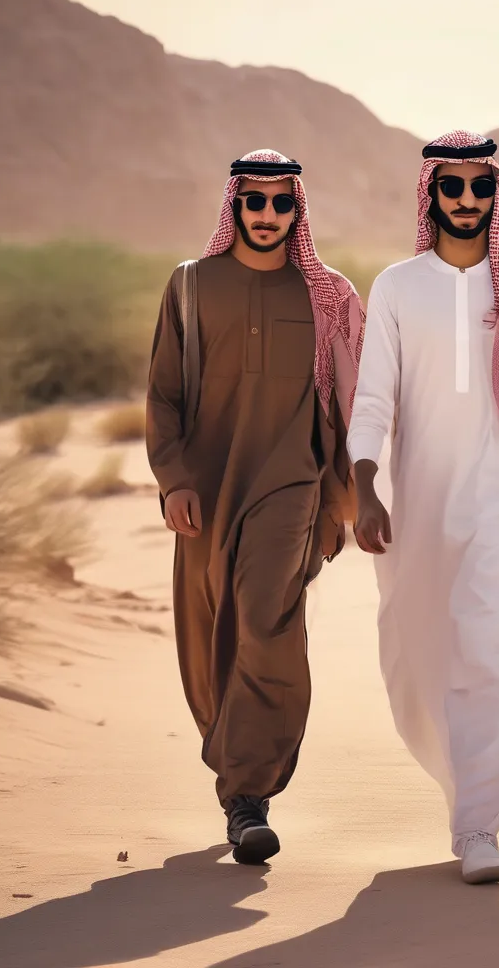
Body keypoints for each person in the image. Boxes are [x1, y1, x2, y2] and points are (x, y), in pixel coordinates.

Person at [347, 131, 499, 884]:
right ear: (432, 195)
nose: (468, 201)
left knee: (494, 650)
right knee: (422, 660)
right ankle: (462, 791)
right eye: (453, 188)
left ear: (496, 195)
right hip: (419, 508)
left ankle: (478, 824)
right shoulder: (396, 286)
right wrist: (364, 487)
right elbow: (373, 398)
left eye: (482, 188)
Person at [146, 150, 364, 864]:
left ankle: (249, 797)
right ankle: (235, 762)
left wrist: (343, 501)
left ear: (298, 211)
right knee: (213, 639)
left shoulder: (327, 294)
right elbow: (165, 394)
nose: (268, 215)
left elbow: (349, 405)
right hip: (206, 494)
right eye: (255, 202)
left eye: (282, 204)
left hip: (291, 487)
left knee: (267, 625)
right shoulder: (188, 286)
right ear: (234, 206)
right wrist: (174, 477)